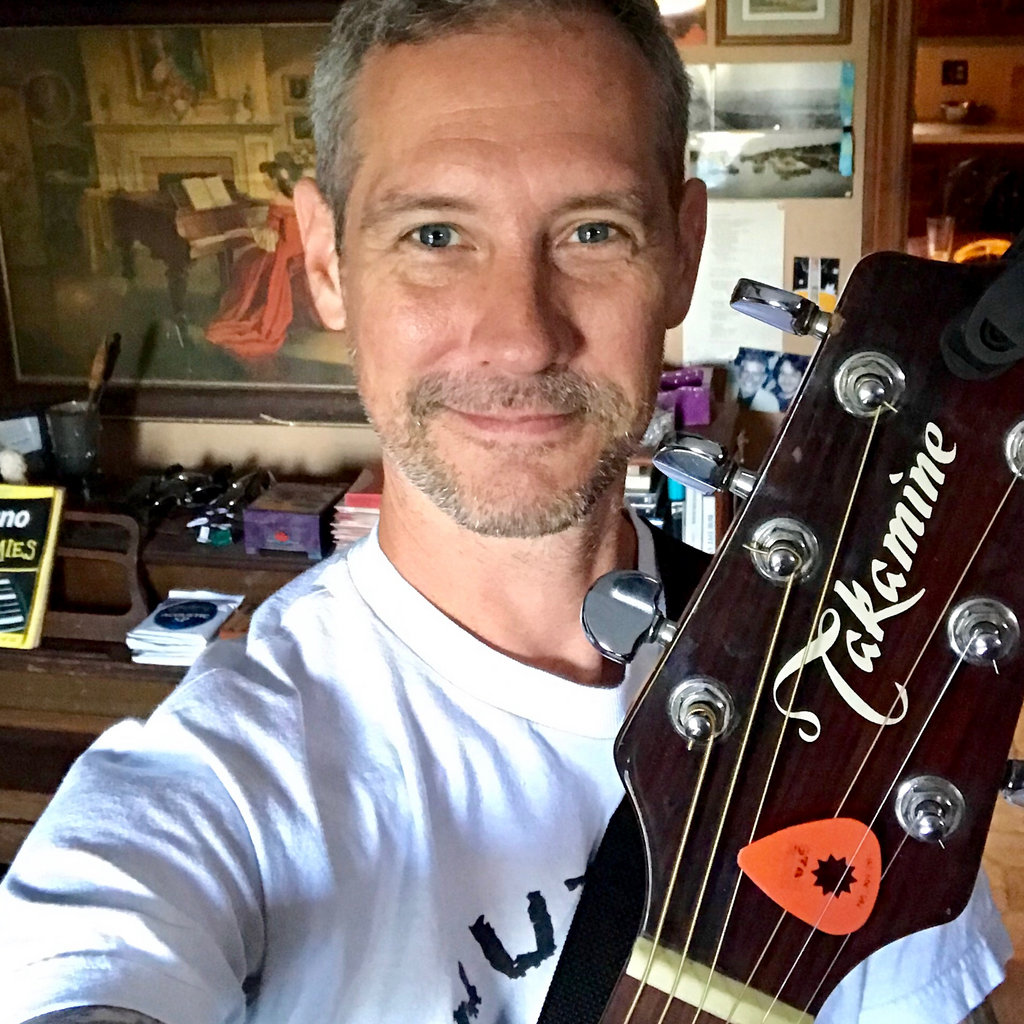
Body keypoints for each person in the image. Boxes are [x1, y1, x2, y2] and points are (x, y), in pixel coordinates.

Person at [0, 3, 1010, 1023]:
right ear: (326, 261)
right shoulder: (219, 787)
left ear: (682, 252)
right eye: (435, 234)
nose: (521, 336)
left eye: (592, 231)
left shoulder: (854, 705)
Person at [734, 347, 781, 412]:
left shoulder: (770, 402)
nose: (749, 378)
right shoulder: (728, 391)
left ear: (764, 378)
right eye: (746, 371)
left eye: (755, 374)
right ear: (740, 372)